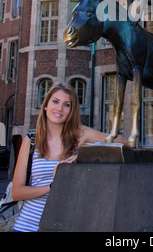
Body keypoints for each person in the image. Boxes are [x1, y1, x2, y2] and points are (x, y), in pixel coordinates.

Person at [11, 82, 126, 232]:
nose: (59, 108)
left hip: (62, 225)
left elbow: (123, 142)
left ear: (71, 110)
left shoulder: (80, 135)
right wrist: (53, 186)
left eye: (67, 105)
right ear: (46, 105)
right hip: (26, 226)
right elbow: (16, 192)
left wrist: (86, 158)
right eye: (55, 101)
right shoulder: (31, 141)